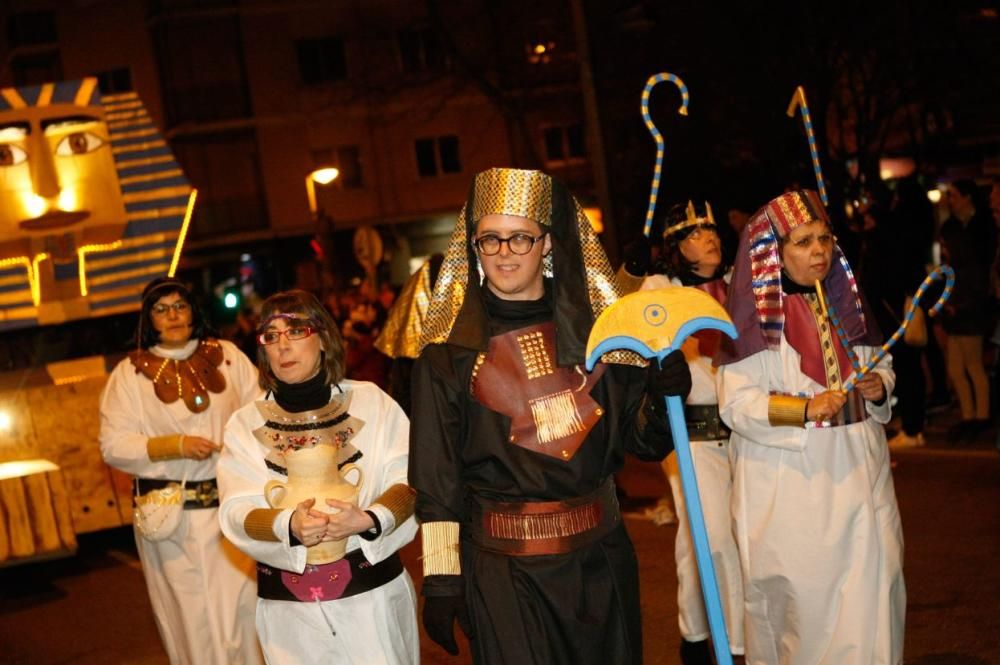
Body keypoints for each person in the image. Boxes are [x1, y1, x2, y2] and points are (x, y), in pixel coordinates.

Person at [409, 167, 691, 664]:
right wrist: (441, 578)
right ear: (473, 248)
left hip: (601, 562)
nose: (504, 253)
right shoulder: (445, 356)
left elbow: (643, 443)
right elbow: (436, 481)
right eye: (489, 240)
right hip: (505, 576)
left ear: (547, 244)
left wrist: (666, 399)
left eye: (520, 238)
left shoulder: (601, 338)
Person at [717, 190, 905, 664]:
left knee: (875, 595)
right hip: (794, 489)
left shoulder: (847, 306)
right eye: (802, 242)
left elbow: (878, 363)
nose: (819, 251)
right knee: (810, 611)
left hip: (864, 475)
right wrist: (803, 410)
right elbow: (737, 406)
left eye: (824, 239)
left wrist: (879, 387)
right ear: (772, 254)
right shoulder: (752, 323)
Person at [217, 289, 418, 665]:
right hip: (291, 619)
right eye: (271, 336)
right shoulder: (244, 426)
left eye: (295, 331)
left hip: (372, 602)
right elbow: (234, 511)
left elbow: (408, 477)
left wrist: (370, 519)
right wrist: (287, 525)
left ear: (323, 338)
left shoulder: (371, 403)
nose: (282, 346)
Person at [99, 277, 263, 665]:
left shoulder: (227, 356)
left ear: (193, 312)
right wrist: (175, 445)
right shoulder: (129, 375)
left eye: (180, 306)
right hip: (171, 521)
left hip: (229, 512)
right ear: (148, 318)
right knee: (190, 619)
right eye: (161, 309)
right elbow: (113, 445)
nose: (172, 315)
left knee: (243, 611)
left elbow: (260, 413)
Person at [641, 202, 744, 664]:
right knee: (710, 538)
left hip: (744, 431)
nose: (711, 238)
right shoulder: (662, 288)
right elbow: (633, 324)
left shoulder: (738, 283)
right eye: (696, 233)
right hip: (689, 432)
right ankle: (705, 641)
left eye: (713, 230)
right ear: (677, 247)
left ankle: (722, 638)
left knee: (736, 538)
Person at [939, 179, 995, 440]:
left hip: (971, 307)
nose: (950, 200)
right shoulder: (950, 228)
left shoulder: (981, 228)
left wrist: (962, 302)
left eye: (953, 195)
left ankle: (980, 417)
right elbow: (947, 268)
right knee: (956, 368)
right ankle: (969, 415)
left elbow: (979, 274)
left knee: (973, 365)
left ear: (967, 197)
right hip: (956, 306)